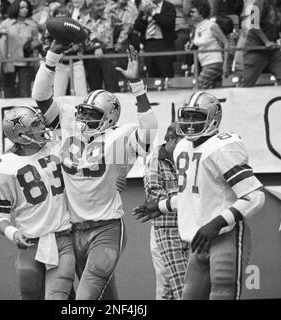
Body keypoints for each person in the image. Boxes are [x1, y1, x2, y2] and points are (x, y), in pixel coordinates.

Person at [32, 40, 157, 300]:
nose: (84, 118)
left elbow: (148, 132)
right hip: (74, 229)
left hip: (107, 228)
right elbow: (41, 96)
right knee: (104, 298)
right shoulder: (69, 122)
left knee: (85, 297)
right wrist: (53, 55)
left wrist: (137, 87)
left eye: (92, 114)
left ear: (109, 118)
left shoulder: (118, 137)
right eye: (84, 112)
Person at [133, 91, 265, 300]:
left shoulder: (223, 146)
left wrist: (217, 223)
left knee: (222, 294)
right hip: (199, 240)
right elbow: (194, 195)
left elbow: (255, 197)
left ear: (213, 119)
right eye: (186, 116)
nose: (189, 122)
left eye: (197, 116)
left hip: (225, 236)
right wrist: (161, 206)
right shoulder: (182, 147)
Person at [0, 106, 75, 300]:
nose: (42, 126)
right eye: (35, 124)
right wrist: (13, 233)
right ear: (20, 134)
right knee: (30, 296)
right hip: (29, 243)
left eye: (40, 121)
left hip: (63, 238)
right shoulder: (2, 167)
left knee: (57, 296)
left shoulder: (58, 147)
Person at [142, 122, 189, 300]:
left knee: (184, 286)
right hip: (165, 229)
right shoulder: (154, 158)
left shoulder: (189, 156)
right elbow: (153, 194)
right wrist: (186, 196)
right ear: (171, 139)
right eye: (183, 142)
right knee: (169, 287)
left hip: (188, 226)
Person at [240, 0, 281, 87]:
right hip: (256, 49)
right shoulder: (259, 3)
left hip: (273, 49)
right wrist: (266, 41)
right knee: (247, 83)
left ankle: (280, 98)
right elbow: (254, 24)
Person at [0, 0, 40, 98]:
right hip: (9, 61)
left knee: (25, 91)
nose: (25, 10)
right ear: (15, 8)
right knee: (8, 91)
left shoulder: (32, 24)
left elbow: (36, 41)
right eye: (22, 7)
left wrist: (33, 46)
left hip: (26, 61)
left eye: (26, 7)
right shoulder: (5, 23)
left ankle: (25, 113)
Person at [189, 0, 230, 89]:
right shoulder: (196, 27)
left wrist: (226, 63)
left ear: (201, 12)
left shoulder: (211, 26)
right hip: (204, 64)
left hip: (214, 62)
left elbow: (226, 42)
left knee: (197, 88)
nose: (191, 14)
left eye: (193, 12)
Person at [133, 0, 176, 78]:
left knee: (166, 71)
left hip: (164, 44)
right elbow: (137, 27)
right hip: (148, 44)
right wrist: (145, 17)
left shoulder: (169, 7)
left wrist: (153, 14)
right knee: (152, 72)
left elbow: (168, 23)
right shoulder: (145, 8)